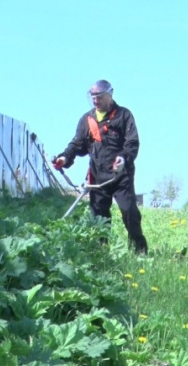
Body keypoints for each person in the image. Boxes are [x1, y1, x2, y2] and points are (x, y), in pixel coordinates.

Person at [52, 80, 148, 254]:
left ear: (110, 95)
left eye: (100, 97)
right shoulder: (87, 119)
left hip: (121, 176)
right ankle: (101, 253)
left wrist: (123, 159)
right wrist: (64, 158)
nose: (96, 100)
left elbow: (132, 143)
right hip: (97, 176)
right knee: (99, 217)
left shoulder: (124, 115)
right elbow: (77, 145)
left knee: (129, 212)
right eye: (93, 97)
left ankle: (139, 252)